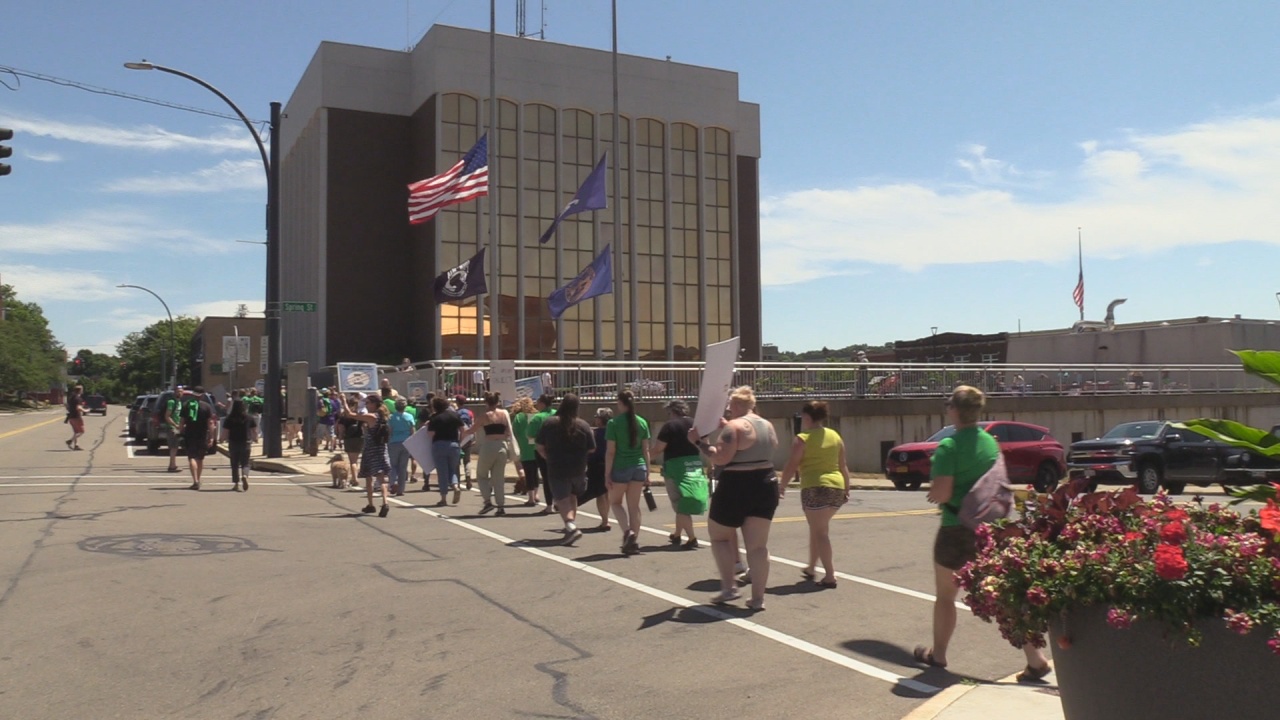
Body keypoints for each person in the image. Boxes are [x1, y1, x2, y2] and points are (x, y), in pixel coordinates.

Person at [915, 385, 1052, 682]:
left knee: (946, 596)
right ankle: (1035, 657)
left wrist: (933, 492)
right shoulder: (990, 442)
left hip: (956, 529)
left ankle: (938, 654)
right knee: (1005, 594)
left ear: (954, 410)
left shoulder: (948, 448)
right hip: (991, 528)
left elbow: (942, 492)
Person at [689, 385, 778, 611]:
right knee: (758, 547)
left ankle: (729, 587)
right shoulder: (767, 425)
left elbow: (719, 459)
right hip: (766, 483)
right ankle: (758, 598)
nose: (728, 411)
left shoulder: (733, 427)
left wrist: (699, 442)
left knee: (719, 536)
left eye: (730, 407)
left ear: (736, 405)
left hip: (737, 485)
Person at [779, 400, 850, 587]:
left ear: (808, 418)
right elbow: (843, 465)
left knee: (820, 532)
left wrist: (782, 485)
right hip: (836, 486)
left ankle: (830, 575)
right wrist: (847, 489)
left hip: (815, 487)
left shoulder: (803, 439)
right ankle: (811, 567)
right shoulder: (835, 436)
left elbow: (791, 465)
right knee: (818, 529)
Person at [536, 393, 595, 545]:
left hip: (557, 466)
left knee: (562, 499)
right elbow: (592, 448)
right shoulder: (583, 425)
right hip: (578, 467)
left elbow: (539, 446)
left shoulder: (550, 424)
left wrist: (547, 457)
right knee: (573, 496)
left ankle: (570, 525)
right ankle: (570, 526)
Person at [651, 399, 706, 549]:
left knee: (680, 504)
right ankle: (677, 534)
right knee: (684, 500)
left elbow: (658, 448)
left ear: (671, 411)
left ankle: (692, 538)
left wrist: (646, 460)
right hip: (694, 464)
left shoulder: (669, 426)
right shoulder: (696, 424)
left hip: (675, 467)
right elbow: (706, 443)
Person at [606, 390, 651, 556]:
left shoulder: (614, 423)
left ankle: (627, 532)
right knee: (634, 506)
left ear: (621, 403)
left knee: (615, 502)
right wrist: (647, 472)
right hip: (639, 466)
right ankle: (634, 540)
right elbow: (646, 450)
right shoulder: (642, 422)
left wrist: (607, 474)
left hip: (621, 466)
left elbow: (611, 452)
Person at [467, 392, 523, 516]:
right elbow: (509, 431)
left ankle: (487, 501)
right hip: (502, 446)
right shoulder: (504, 414)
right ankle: (501, 506)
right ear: (498, 401)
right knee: (499, 478)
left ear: (486, 402)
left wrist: (462, 432)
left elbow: (472, 430)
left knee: (481, 475)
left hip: (489, 446)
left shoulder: (484, 416)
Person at [350, 395, 393, 517]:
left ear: (374, 404)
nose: (367, 405)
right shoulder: (384, 417)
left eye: (368, 403)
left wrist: (343, 401)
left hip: (371, 450)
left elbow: (351, 415)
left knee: (369, 478)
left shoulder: (372, 417)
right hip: (382, 449)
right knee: (381, 478)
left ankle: (371, 504)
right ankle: (385, 502)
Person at [427, 396, 465, 507]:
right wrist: (460, 442)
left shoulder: (434, 418)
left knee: (442, 472)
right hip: (454, 445)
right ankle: (455, 486)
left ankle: (443, 498)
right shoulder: (455, 415)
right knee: (452, 469)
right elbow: (463, 430)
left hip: (439, 445)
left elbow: (430, 434)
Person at [178, 387, 217, 491]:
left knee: (192, 457)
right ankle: (198, 479)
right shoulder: (207, 407)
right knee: (200, 458)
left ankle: (195, 480)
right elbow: (210, 423)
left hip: (190, 434)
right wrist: (212, 437)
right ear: (202, 395)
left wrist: (179, 431)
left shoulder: (186, 405)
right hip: (202, 434)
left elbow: (182, 421)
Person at [219, 399, 259, 492]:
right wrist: (255, 438)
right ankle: (245, 475)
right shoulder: (249, 418)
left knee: (234, 463)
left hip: (233, 442)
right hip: (246, 442)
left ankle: (236, 484)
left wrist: (221, 439)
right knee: (245, 462)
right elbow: (254, 430)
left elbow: (226, 431)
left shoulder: (229, 418)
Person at [583, 407, 613, 531]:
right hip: (609, 464)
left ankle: (605, 521)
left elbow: (589, 450)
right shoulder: (612, 433)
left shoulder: (594, 433)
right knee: (605, 493)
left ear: (600, 420)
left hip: (596, 465)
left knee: (600, 494)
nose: (595, 419)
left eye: (596, 417)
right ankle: (605, 519)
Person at [526, 394, 556, 514]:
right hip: (559, 449)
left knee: (547, 477)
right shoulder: (557, 413)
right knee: (559, 477)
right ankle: (559, 502)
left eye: (537, 402)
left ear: (543, 403)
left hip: (541, 450)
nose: (536, 405)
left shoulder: (537, 417)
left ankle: (549, 505)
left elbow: (530, 434)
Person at [510, 397, 541, 506]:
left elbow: (514, 433)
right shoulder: (537, 416)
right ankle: (537, 495)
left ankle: (531, 498)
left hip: (524, 449)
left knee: (528, 473)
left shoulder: (519, 417)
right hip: (537, 448)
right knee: (535, 473)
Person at [387, 398, 417, 497]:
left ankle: (393, 482)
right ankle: (401, 489)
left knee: (393, 465)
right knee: (403, 467)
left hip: (394, 442)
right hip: (406, 442)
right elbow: (412, 431)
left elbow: (389, 431)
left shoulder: (391, 417)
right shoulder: (409, 417)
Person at [454, 394, 475, 490]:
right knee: (467, 460)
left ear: (457, 402)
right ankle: (468, 477)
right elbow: (473, 425)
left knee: (456, 461)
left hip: (458, 438)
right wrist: (473, 438)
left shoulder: (455, 413)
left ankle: (457, 481)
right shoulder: (470, 413)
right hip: (468, 437)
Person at [164, 386, 185, 472]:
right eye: (177, 391)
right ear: (174, 392)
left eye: (181, 391)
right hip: (172, 428)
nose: (179, 393)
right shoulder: (171, 402)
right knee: (173, 447)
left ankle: (173, 464)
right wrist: (175, 425)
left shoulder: (179, 402)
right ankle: (171, 465)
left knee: (175, 447)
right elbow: (167, 416)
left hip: (178, 427)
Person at [64, 385, 86, 450]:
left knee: (76, 432)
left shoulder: (71, 398)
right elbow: (78, 408)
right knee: (82, 431)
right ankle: (70, 441)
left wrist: (71, 410)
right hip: (77, 416)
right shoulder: (78, 398)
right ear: (80, 390)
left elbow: (66, 406)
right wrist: (85, 410)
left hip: (71, 417)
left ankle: (76, 445)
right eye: (82, 390)